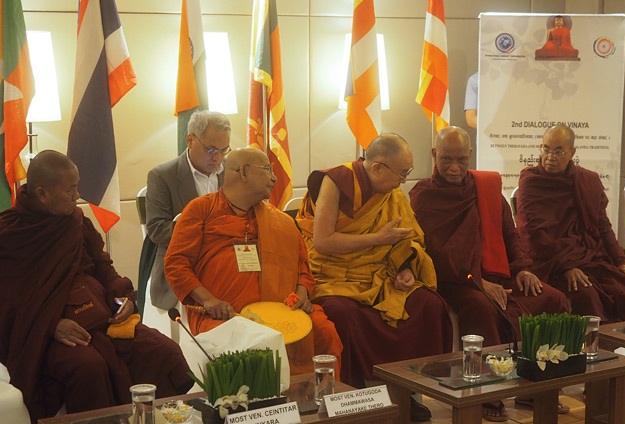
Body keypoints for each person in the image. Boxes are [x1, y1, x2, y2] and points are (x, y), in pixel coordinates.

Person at [0, 151, 193, 421]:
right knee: (88, 367)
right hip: (47, 334)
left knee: (164, 350)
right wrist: (50, 324)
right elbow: (8, 301)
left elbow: (103, 268)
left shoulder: (77, 222)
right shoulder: (10, 235)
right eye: (70, 189)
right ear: (42, 194)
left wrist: (123, 296)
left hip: (102, 318)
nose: (77, 195)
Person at [410, 126, 572, 421]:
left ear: (470, 155)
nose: (455, 168)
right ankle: (486, 391)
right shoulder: (424, 196)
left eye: (461, 159)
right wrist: (478, 281)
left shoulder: (485, 187)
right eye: (446, 159)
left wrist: (522, 268)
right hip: (454, 279)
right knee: (480, 306)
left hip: (498, 273)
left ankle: (536, 387)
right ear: (434, 155)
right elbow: (435, 252)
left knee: (553, 299)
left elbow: (510, 233)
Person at [295, 133, 452, 421]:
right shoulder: (336, 181)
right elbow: (323, 242)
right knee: (342, 312)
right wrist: (378, 238)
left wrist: (404, 268)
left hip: (380, 271)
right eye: (401, 173)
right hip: (334, 271)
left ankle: (408, 391)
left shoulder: (390, 192)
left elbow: (409, 239)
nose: (403, 182)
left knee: (427, 304)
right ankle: (356, 394)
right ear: (378, 168)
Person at [164, 148, 343, 376]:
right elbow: (176, 264)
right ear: (244, 172)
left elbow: (303, 269)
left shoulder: (281, 221)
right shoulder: (202, 210)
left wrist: (300, 296)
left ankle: (319, 401)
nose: (275, 177)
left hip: (282, 309)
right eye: (267, 169)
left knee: (324, 330)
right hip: (225, 314)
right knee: (249, 340)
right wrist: (209, 301)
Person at [516, 124, 625, 395]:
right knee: (586, 294)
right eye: (545, 149)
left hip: (590, 259)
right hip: (550, 262)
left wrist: (621, 261)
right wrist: (567, 265)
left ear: (572, 152)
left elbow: (602, 226)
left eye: (558, 151)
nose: (550, 157)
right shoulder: (530, 181)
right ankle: (596, 373)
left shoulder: (587, 180)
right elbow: (534, 232)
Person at [145, 110, 230, 320]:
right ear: (190, 140)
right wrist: (210, 233)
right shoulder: (163, 176)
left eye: (223, 150)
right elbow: (157, 230)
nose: (218, 158)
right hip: (185, 265)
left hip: (229, 263)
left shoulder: (233, 172)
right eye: (211, 150)